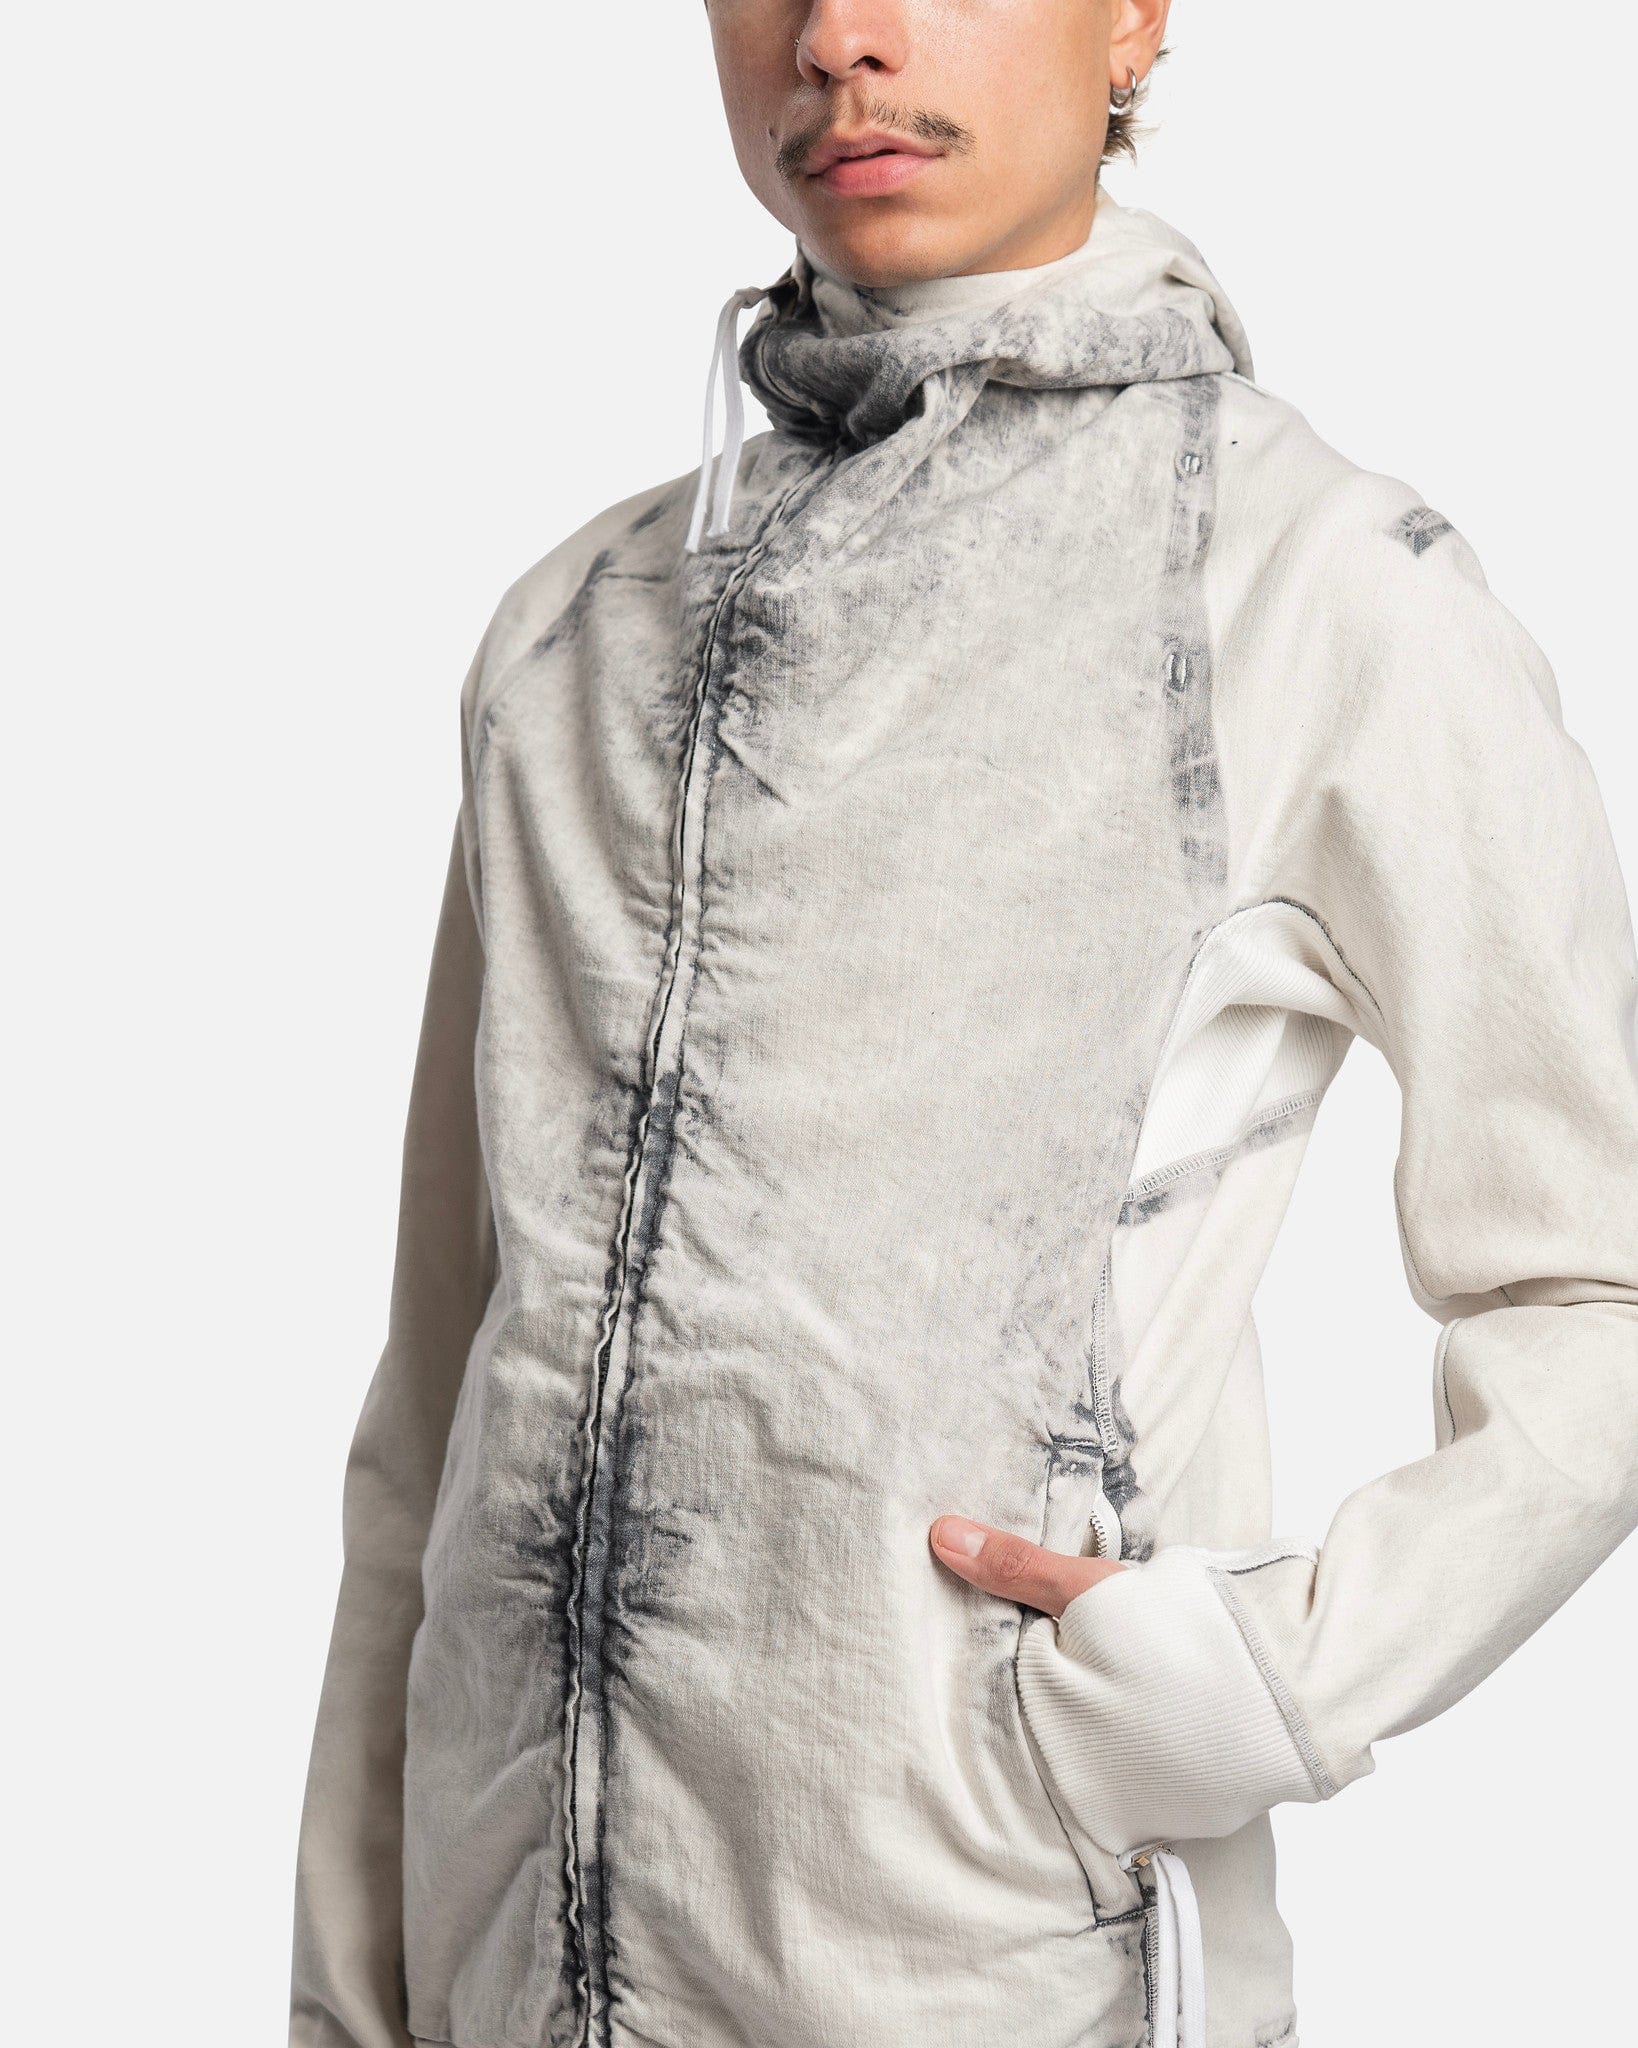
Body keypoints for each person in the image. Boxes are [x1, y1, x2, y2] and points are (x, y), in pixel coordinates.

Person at [288, 2, 1638, 2044]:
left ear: (1131, 18)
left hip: (984, 1953)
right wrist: (349, 1985)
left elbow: (1596, 1283)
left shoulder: (1302, 578)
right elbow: (438, 1397)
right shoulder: (575, 628)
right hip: (494, 1970)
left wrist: (1273, 1674)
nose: (840, 36)